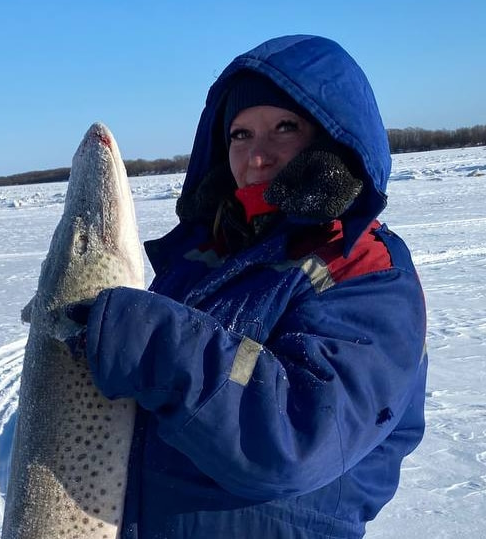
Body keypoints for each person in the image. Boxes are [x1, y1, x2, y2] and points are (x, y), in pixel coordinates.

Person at [71, 35, 428, 538]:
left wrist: (150, 339)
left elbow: (297, 439)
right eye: (240, 134)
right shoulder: (203, 259)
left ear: (333, 139)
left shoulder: (363, 267)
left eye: (285, 127)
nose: (257, 156)